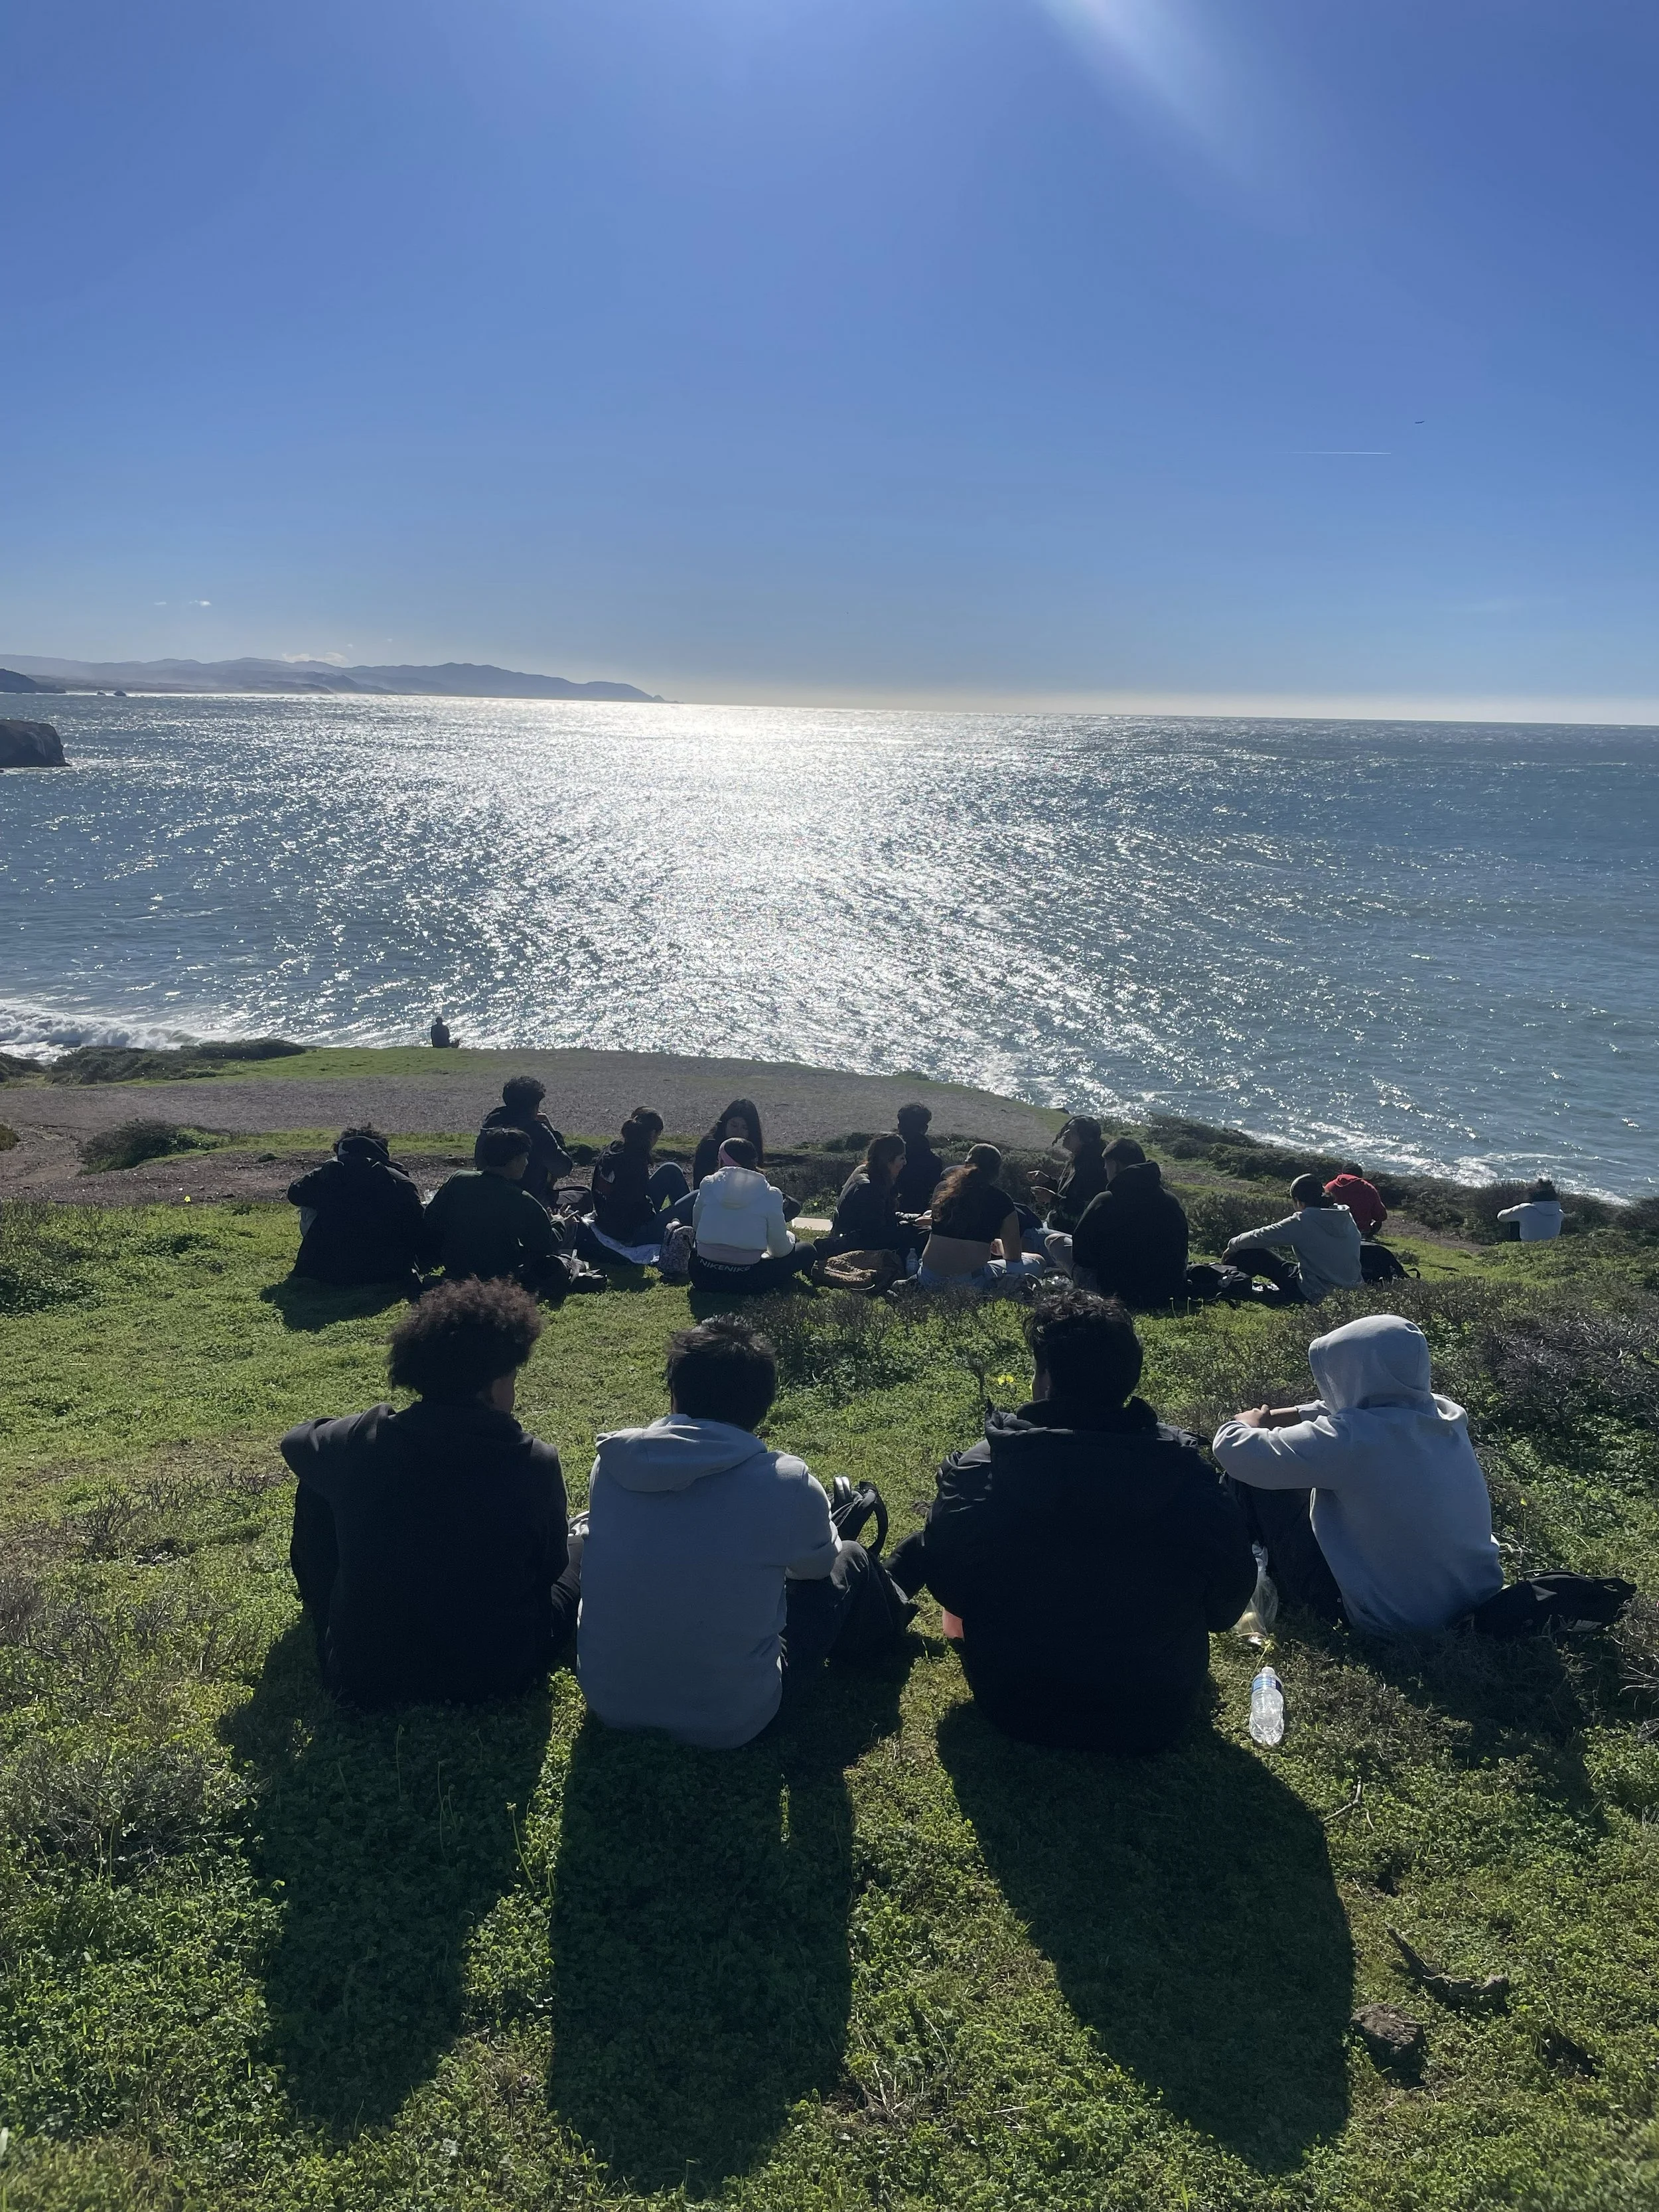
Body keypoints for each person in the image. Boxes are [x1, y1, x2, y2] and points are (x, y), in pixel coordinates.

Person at [887, 1287, 1254, 1753]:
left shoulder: (982, 1469)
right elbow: (1227, 1605)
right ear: (1129, 1377)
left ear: (1045, 1379)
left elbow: (952, 1590)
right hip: (1153, 1715)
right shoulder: (1189, 1476)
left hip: (1015, 1704)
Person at [576, 1315, 901, 1747]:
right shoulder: (786, 1480)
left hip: (609, 1702)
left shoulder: (613, 1463)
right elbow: (817, 1569)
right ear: (762, 1406)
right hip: (734, 1720)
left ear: (674, 1392)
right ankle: (882, 1646)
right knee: (852, 1557)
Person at [282, 1278, 578, 1707]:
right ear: (494, 1387)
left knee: (319, 1478)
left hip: (362, 1673)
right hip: (503, 1670)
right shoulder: (534, 1460)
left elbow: (296, 1442)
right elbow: (551, 1567)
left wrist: (357, 1430)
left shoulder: (365, 1441)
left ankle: (324, 1606)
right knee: (579, 1552)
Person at [1211, 1312, 1504, 1634]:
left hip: (1390, 1618)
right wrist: (1289, 1414)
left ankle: (1233, 1571)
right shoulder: (1445, 1413)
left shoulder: (1352, 1439)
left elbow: (1234, 1450)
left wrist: (1246, 1423)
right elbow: (1343, 1409)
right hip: (1474, 1597)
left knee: (1254, 1476)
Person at [421, 1126, 568, 1297]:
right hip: (498, 1275)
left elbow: (431, 1219)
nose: (527, 1163)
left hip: (456, 1268)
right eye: (525, 1158)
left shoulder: (458, 1180)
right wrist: (559, 1221)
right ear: (513, 1161)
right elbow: (545, 1244)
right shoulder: (521, 1199)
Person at [287, 1126, 423, 1293]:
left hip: (324, 1270)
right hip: (388, 1272)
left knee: (308, 1207)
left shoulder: (327, 1173)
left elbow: (294, 1195)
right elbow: (418, 1225)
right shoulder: (400, 1180)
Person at [1054, 1138, 1189, 1305]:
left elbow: (1081, 1254)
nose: (1105, 1171)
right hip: (1164, 1291)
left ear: (1115, 1165)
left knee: (1055, 1242)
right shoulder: (1171, 1201)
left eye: (1106, 1166)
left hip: (1114, 1291)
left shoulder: (1106, 1200)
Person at [689, 1138, 817, 1292]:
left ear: (721, 1161)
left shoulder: (708, 1184)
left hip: (701, 1275)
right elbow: (779, 1250)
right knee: (807, 1250)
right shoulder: (770, 1194)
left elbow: (696, 1227)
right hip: (749, 1280)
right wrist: (791, 1237)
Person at [916, 1145, 1046, 1290]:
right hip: (970, 1283)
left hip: (927, 1277)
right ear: (996, 1172)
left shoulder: (942, 1189)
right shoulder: (1001, 1200)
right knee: (1038, 1262)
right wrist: (1000, 1247)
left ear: (965, 1164)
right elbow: (1013, 1257)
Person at [1224, 1175, 1363, 1303]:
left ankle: (1228, 1283)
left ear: (1298, 1201)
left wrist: (1232, 1245)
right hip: (1352, 1291)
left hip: (1313, 1292)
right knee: (1290, 1268)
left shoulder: (1304, 1220)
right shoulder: (1344, 1215)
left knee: (1246, 1253)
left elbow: (1260, 1236)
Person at [588, 1108, 690, 1246]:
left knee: (670, 1170)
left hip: (607, 1220)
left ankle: (685, 1230)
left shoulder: (614, 1148)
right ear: (653, 1134)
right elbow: (636, 1207)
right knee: (696, 1197)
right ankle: (688, 1234)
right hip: (631, 1233)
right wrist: (657, 1217)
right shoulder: (634, 1161)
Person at [478, 1076, 573, 1207]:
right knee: (583, 1196)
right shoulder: (537, 1131)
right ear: (534, 1107)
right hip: (529, 1203)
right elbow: (563, 1168)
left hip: (490, 1197)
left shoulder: (490, 1125)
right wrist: (553, 1131)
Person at [828, 1133, 923, 1258]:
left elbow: (885, 1217)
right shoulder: (869, 1188)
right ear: (889, 1160)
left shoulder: (866, 1172)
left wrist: (917, 1218)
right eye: (902, 1158)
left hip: (857, 1238)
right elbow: (876, 1235)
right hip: (855, 1247)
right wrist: (910, 1226)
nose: (905, 1163)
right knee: (921, 1236)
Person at [1028, 1115, 1112, 1233]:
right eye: (1067, 1129)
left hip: (1069, 1234)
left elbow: (1083, 1212)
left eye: (1072, 1132)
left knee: (1024, 1233)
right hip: (1054, 1225)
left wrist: (1052, 1199)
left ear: (1085, 1139)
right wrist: (1047, 1181)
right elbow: (1068, 1194)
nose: (1065, 1134)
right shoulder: (1076, 1161)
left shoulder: (1093, 1170)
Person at [690, 1098, 767, 1188]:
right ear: (725, 1123)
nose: (738, 1132)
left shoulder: (752, 1151)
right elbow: (700, 1184)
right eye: (734, 1126)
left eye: (745, 1128)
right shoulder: (709, 1146)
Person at [893, 1101, 947, 1214]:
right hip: (920, 1218)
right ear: (925, 1129)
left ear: (899, 1126)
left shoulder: (885, 1153)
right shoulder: (933, 1161)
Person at [1325, 1163, 1388, 1238]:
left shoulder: (1330, 1186)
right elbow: (1381, 1216)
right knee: (1378, 1223)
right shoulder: (1368, 1188)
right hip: (1359, 1232)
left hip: (1331, 1230)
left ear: (1342, 1173)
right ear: (1360, 1175)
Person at [1497, 1179, 1565, 1242]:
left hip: (1526, 1247)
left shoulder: (1525, 1209)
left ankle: (1512, 1245)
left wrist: (1516, 1207)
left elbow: (1501, 1217)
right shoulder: (1560, 1214)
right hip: (1550, 1248)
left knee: (1515, 1219)